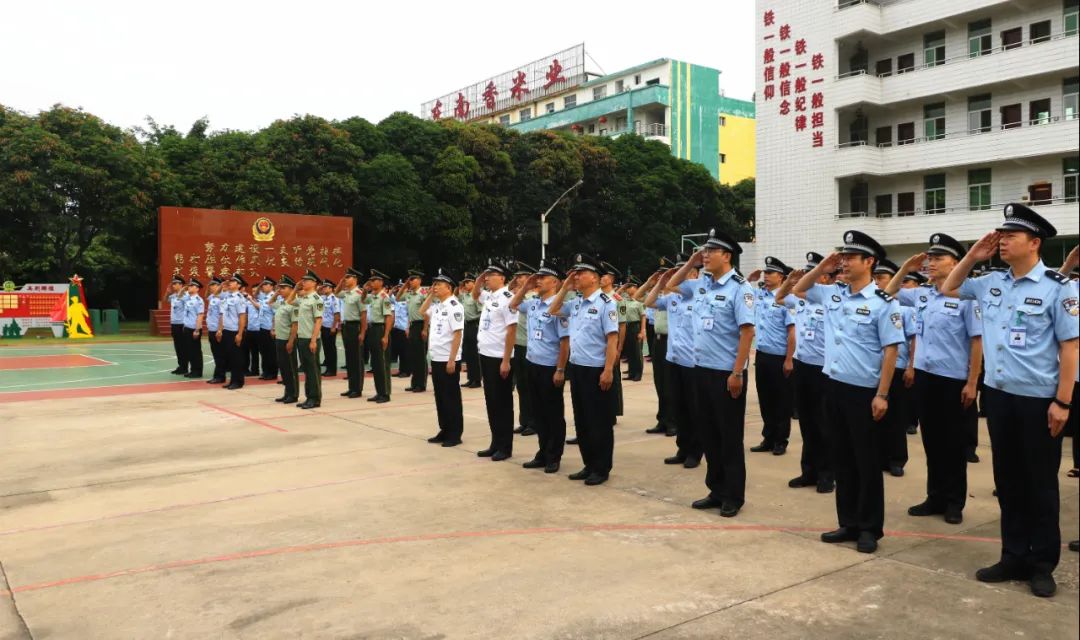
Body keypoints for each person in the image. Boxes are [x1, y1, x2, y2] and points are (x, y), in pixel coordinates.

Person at [941, 203, 1078, 598]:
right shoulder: (990, 282)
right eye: (1000, 235)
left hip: (1039, 402)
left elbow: (1071, 347)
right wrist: (971, 255)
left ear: (1034, 242)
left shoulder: (1057, 286)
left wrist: (1063, 402)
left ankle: (1041, 563)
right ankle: (1013, 555)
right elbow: (949, 287)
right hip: (999, 398)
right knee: (1009, 481)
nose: (1002, 241)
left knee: (1040, 485)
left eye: (1011, 235)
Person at [793, 230, 904, 554]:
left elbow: (891, 351)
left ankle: (869, 527)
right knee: (842, 458)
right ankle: (848, 522)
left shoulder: (883, 303)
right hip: (834, 386)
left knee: (866, 461)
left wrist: (882, 395)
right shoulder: (833, 294)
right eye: (842, 257)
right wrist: (823, 266)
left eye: (850, 257)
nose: (843, 262)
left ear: (869, 262)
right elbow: (800, 288)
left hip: (864, 391)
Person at [884, 234, 983, 525]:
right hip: (926, 378)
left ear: (956, 262)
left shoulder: (966, 297)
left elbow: (977, 342)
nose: (931, 263)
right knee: (932, 442)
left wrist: (972, 382)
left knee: (953, 444)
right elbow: (889, 294)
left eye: (938, 258)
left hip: (953, 380)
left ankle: (954, 502)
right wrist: (904, 269)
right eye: (930, 258)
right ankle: (935, 496)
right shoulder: (923, 294)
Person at [666, 230, 755, 517]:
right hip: (700, 370)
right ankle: (716, 490)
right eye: (704, 251)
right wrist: (692, 261)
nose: (705, 254)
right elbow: (671, 284)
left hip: (726, 373)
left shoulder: (740, 288)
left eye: (710, 251)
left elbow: (747, 332)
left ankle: (733, 495)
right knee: (709, 435)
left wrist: (738, 372)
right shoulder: (703, 282)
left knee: (729, 437)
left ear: (726, 256)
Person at [548, 253, 620, 485]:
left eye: (581, 273)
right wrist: (566, 286)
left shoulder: (606, 305)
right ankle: (588, 464)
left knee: (599, 422)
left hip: (596, 370)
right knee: (582, 421)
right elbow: (553, 309)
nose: (576, 276)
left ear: (596, 278)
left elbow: (612, 339)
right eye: (575, 273)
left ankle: (601, 468)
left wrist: (609, 370)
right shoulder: (576, 302)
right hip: (577, 369)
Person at [775, 251, 836, 493]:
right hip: (803, 366)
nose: (808, 276)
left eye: (814, 272)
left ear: (824, 277)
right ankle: (808, 471)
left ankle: (827, 474)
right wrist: (789, 281)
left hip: (823, 369)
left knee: (824, 425)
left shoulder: (830, 299)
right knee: (808, 422)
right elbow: (779, 297)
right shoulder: (800, 299)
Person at [510, 260, 571, 473]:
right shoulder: (534, 302)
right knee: (538, 413)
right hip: (532, 364)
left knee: (553, 413)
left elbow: (565, 342)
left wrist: (560, 369)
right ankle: (543, 452)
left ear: (554, 282)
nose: (539, 281)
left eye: (543, 278)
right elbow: (514, 304)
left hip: (550, 367)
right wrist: (526, 287)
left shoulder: (558, 307)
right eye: (538, 277)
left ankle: (554, 455)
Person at [645, 255, 703, 468]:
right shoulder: (673, 298)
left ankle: (695, 452)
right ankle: (682, 448)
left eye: (685, 271)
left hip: (692, 362)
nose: (679, 275)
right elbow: (648, 302)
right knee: (678, 407)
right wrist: (660, 283)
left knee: (694, 409)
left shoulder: (699, 295)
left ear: (695, 275)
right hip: (673, 358)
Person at [748, 256, 796, 456]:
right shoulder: (759, 295)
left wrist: (789, 359)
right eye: (765, 273)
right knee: (765, 399)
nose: (766, 276)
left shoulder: (787, 299)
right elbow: (742, 292)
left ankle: (780, 440)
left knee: (781, 401)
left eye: (771, 273)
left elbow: (792, 332)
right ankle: (768, 437)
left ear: (781, 277)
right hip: (762, 355)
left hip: (779, 357)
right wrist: (748, 279)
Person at [872, 259, 916, 477]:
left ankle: (897, 459)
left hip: (898, 367)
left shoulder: (904, 307)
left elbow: (913, 339)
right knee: (877, 417)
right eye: (876, 278)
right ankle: (879, 457)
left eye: (881, 278)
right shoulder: (872, 304)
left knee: (897, 417)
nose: (877, 282)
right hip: (875, 368)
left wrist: (911, 366)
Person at [473, 259, 519, 461]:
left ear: (502, 278)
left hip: (500, 357)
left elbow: (512, 330)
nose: (487, 278)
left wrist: (506, 360)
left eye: (491, 275)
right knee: (491, 401)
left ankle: (505, 446)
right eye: (487, 275)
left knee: (502, 403)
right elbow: (475, 294)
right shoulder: (490, 296)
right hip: (486, 354)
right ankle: (495, 442)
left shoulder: (508, 298)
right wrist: (479, 279)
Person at [422, 268, 466, 447]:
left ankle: (455, 433)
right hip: (437, 357)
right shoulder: (438, 305)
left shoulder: (454, 306)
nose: (435, 287)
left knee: (451, 397)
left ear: (448, 287)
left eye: (438, 285)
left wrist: (452, 360)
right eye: (434, 284)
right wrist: (430, 295)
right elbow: (422, 311)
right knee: (440, 397)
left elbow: (457, 334)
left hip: (449, 359)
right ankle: (444, 429)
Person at [638, 260, 677, 436]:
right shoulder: (660, 296)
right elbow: (639, 297)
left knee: (670, 384)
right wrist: (650, 283)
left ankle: (672, 422)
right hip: (658, 341)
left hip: (671, 341)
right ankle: (662, 419)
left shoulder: (675, 296)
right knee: (659, 382)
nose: (661, 277)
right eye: (660, 274)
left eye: (665, 274)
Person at [511, 262, 538, 436]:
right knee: (521, 386)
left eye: (521, 276)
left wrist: (524, 288)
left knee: (530, 386)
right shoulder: (520, 295)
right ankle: (524, 420)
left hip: (531, 345)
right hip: (518, 345)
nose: (517, 279)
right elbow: (513, 303)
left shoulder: (535, 296)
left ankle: (534, 422)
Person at [293, 270, 325, 410]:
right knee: (307, 369)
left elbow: (318, 321)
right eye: (303, 280)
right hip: (302, 338)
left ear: (314, 283)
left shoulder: (317, 299)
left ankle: (315, 398)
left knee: (313, 370)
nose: (303, 282)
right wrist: (295, 288)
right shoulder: (303, 298)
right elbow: (289, 301)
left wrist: (313, 340)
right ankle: (309, 397)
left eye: (306, 280)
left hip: (310, 339)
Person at [599, 262, 626, 419]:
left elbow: (622, 326)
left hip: (611, 344)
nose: (601, 279)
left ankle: (613, 411)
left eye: (604, 276)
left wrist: (619, 348)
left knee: (612, 378)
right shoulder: (598, 297)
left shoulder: (616, 299)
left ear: (611, 279)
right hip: (598, 345)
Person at [364, 269, 395, 403]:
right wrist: (365, 290)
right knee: (375, 363)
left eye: (373, 280)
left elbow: (389, 317)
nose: (371, 282)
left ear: (381, 282)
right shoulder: (372, 296)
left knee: (382, 363)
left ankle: (385, 393)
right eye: (370, 280)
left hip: (380, 329)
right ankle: (379, 391)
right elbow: (363, 300)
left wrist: (386, 336)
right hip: (372, 329)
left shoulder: (384, 297)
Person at [337, 267, 368, 399]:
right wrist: (341, 281)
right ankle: (351, 387)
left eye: (348, 277)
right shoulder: (347, 293)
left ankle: (357, 388)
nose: (345, 279)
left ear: (355, 279)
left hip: (355, 327)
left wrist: (362, 332)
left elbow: (363, 315)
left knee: (356, 359)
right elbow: (336, 292)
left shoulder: (359, 294)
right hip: (346, 327)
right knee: (350, 358)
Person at [272, 275, 300, 404]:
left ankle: (293, 394)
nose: (280, 290)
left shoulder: (294, 304)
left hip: (288, 340)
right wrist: (277, 293)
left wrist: (290, 341)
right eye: (279, 288)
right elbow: (270, 303)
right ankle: (287, 393)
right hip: (279, 338)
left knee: (290, 368)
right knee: (283, 367)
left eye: (283, 288)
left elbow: (295, 325)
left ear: (291, 289)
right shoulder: (282, 302)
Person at [218, 273, 249, 390]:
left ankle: (238, 381)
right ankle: (232, 380)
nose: (229, 283)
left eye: (233, 281)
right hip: (226, 330)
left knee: (237, 357)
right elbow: (222, 315)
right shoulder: (227, 297)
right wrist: (220, 329)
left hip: (235, 331)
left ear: (238, 284)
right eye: (229, 281)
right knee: (230, 357)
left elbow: (242, 317)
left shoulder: (239, 298)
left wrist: (240, 334)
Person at [403, 270, 429, 392]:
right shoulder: (409, 294)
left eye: (412, 279)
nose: (410, 281)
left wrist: (425, 329)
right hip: (413, 325)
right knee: (413, 356)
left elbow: (427, 312)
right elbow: (397, 298)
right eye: (409, 279)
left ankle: (421, 384)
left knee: (420, 356)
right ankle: (414, 383)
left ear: (419, 280)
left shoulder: (423, 293)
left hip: (420, 325)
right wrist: (408, 327)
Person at [458, 273, 483, 388]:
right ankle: (470, 378)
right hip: (466, 325)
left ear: (474, 283)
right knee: (468, 353)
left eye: (468, 282)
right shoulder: (464, 296)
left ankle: (477, 379)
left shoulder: (476, 296)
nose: (466, 284)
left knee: (474, 353)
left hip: (474, 325)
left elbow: (481, 312)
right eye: (465, 283)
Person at [622, 277, 646, 381]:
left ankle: (638, 373)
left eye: (630, 287)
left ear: (636, 288)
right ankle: (631, 373)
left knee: (637, 352)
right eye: (627, 288)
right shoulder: (625, 301)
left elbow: (643, 317)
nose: (628, 289)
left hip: (636, 326)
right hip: (626, 327)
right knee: (630, 351)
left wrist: (642, 330)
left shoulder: (639, 302)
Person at [255, 277, 278, 380]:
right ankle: (265, 371)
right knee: (264, 351)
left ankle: (272, 373)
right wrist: (261, 284)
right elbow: (255, 294)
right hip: (262, 327)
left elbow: (275, 315)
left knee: (271, 352)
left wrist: (273, 328)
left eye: (265, 284)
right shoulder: (264, 297)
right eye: (263, 284)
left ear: (271, 286)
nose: (263, 286)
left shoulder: (273, 297)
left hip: (269, 328)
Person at [204, 277, 227, 384]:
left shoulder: (221, 298)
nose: (211, 287)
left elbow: (222, 315)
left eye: (214, 285)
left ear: (219, 286)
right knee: (215, 353)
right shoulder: (213, 297)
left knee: (219, 354)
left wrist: (220, 330)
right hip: (211, 329)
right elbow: (206, 295)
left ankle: (220, 376)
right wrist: (209, 286)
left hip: (217, 330)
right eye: (211, 285)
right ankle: (218, 375)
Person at [165, 276, 189, 375]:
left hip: (182, 324)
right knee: (177, 346)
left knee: (183, 347)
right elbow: (166, 299)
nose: (173, 285)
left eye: (175, 284)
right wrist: (168, 292)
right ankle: (181, 366)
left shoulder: (186, 295)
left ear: (181, 285)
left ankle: (185, 367)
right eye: (173, 283)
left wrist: (181, 292)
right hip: (174, 324)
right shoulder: (174, 296)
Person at [182, 278, 205, 378]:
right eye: (189, 285)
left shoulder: (198, 300)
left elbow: (200, 315)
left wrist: (197, 330)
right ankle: (192, 370)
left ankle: (197, 371)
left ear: (197, 289)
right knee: (190, 351)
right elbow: (180, 295)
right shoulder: (188, 298)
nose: (189, 287)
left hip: (194, 329)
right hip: (187, 327)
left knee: (195, 351)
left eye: (191, 286)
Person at [391, 281, 411, 379]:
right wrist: (392, 290)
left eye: (402, 287)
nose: (400, 289)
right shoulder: (396, 299)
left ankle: (406, 371)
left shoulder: (408, 299)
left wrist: (408, 327)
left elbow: (410, 315)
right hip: (396, 327)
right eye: (399, 287)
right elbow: (387, 297)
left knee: (405, 351)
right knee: (399, 350)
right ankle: (400, 370)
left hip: (404, 328)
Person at [243, 283, 261, 377]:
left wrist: (250, 299)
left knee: (256, 352)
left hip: (258, 330)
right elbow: (245, 314)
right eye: (253, 291)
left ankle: (255, 370)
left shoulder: (262, 301)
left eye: (256, 291)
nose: (254, 293)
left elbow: (259, 308)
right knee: (247, 350)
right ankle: (246, 369)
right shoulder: (248, 302)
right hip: (250, 329)